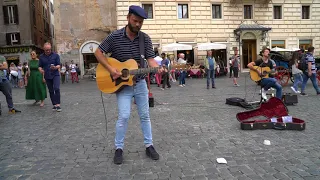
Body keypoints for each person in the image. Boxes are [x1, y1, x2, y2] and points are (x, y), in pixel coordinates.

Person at [94, 5, 161, 165]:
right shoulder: (115, 36)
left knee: (145, 116)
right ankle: (118, 148)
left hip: (140, 84)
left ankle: (149, 145)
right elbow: (98, 52)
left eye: (141, 22)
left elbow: (150, 59)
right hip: (122, 86)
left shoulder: (145, 39)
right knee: (124, 116)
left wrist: (159, 68)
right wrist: (111, 69)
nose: (138, 24)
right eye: (135, 21)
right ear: (128, 18)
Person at [38, 42, 62, 112]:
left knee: (56, 88)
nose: (48, 51)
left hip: (55, 74)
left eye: (49, 50)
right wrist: (40, 70)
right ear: (44, 49)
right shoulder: (41, 57)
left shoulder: (56, 55)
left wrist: (55, 67)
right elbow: (39, 66)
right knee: (51, 90)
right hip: (47, 75)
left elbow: (59, 65)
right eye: (46, 50)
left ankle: (58, 105)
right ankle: (54, 105)